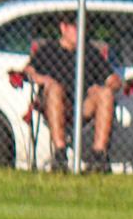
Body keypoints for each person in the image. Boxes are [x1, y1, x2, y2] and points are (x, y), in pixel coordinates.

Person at [26, 14, 122, 173]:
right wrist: (44, 80)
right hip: (56, 104)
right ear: (63, 28)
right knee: (55, 89)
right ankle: (60, 154)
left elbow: (112, 79)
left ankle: (98, 157)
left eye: (82, 27)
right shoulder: (48, 50)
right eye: (76, 27)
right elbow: (28, 71)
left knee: (105, 94)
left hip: (84, 105)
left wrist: (108, 86)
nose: (80, 32)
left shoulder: (90, 51)